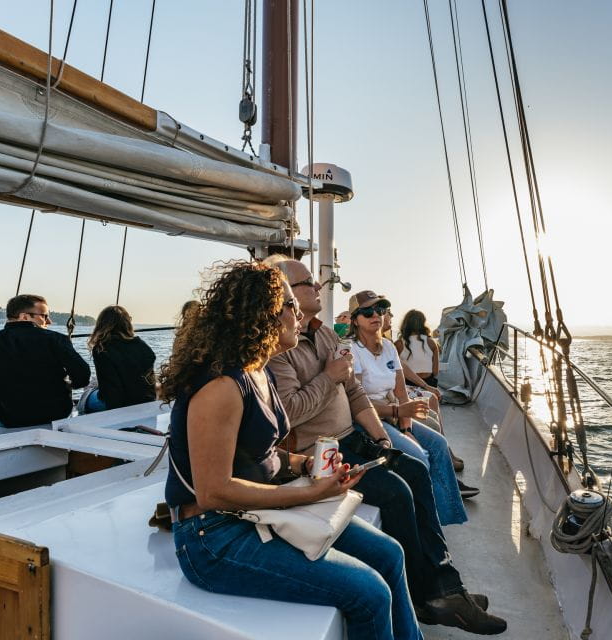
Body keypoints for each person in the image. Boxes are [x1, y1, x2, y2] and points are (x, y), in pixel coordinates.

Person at [161, 260, 423, 640]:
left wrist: (305, 465)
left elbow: (261, 454)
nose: (299, 313)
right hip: (214, 536)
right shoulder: (221, 387)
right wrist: (312, 493)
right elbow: (213, 492)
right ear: (262, 312)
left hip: (258, 511)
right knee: (369, 593)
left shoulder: (258, 371)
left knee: (390, 554)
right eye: (289, 305)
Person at [265, 258, 506, 635]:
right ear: (282, 295)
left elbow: (355, 393)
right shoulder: (280, 349)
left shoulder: (324, 334)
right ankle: (427, 596)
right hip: (320, 451)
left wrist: (381, 440)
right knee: (397, 492)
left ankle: (445, 585)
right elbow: (288, 413)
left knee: (415, 469)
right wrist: (329, 377)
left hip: (355, 437)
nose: (317, 286)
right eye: (307, 283)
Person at [349, 291, 480, 501]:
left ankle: (448, 497)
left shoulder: (389, 347)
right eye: (367, 312)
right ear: (355, 320)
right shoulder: (352, 350)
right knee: (420, 457)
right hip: (369, 419)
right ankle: (436, 498)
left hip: (392, 414)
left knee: (438, 443)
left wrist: (406, 429)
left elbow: (402, 393)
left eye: (380, 309)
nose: (376, 315)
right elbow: (356, 402)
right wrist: (398, 411)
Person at [0, 294, 90, 427]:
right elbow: (83, 375)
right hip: (57, 412)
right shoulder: (57, 340)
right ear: (24, 316)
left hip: (12, 415)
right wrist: (67, 387)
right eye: (44, 316)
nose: (49, 321)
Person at [81, 305, 156, 413]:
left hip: (119, 405)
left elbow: (111, 392)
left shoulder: (102, 349)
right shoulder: (143, 346)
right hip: (145, 401)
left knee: (85, 397)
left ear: (101, 325)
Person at [395, 310, 440, 388]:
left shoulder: (399, 344)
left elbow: (396, 371)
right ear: (423, 323)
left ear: (406, 324)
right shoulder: (431, 342)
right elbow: (435, 371)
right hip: (429, 384)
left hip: (408, 385)